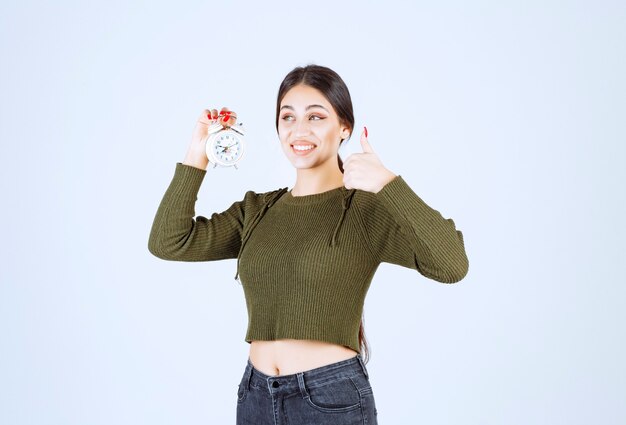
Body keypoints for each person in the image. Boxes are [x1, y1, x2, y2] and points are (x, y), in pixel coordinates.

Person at [148, 64, 469, 424]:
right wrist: (198, 154)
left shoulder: (363, 209)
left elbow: (451, 264)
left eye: (315, 117)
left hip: (330, 398)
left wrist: (388, 184)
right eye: (288, 117)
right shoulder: (257, 210)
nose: (299, 130)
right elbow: (169, 241)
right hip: (255, 396)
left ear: (344, 128)